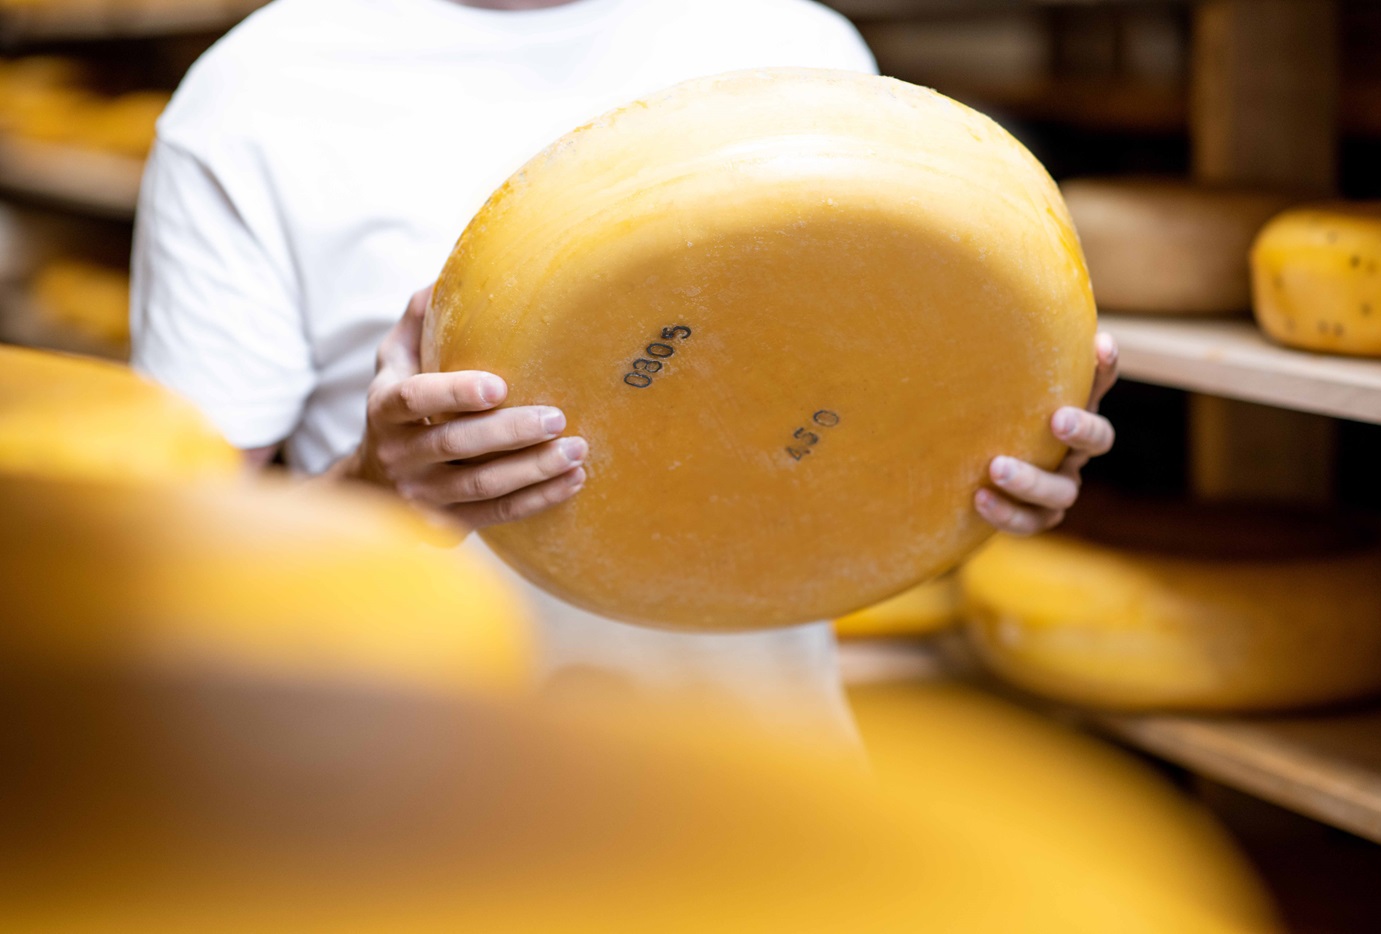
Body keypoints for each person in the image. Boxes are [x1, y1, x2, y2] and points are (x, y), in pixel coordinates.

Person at [131, 0, 1118, 751]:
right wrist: (378, 496)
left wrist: (986, 451)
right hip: (405, 810)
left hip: (762, 793)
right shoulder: (257, 95)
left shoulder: (798, 47)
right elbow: (166, 584)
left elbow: (821, 428)